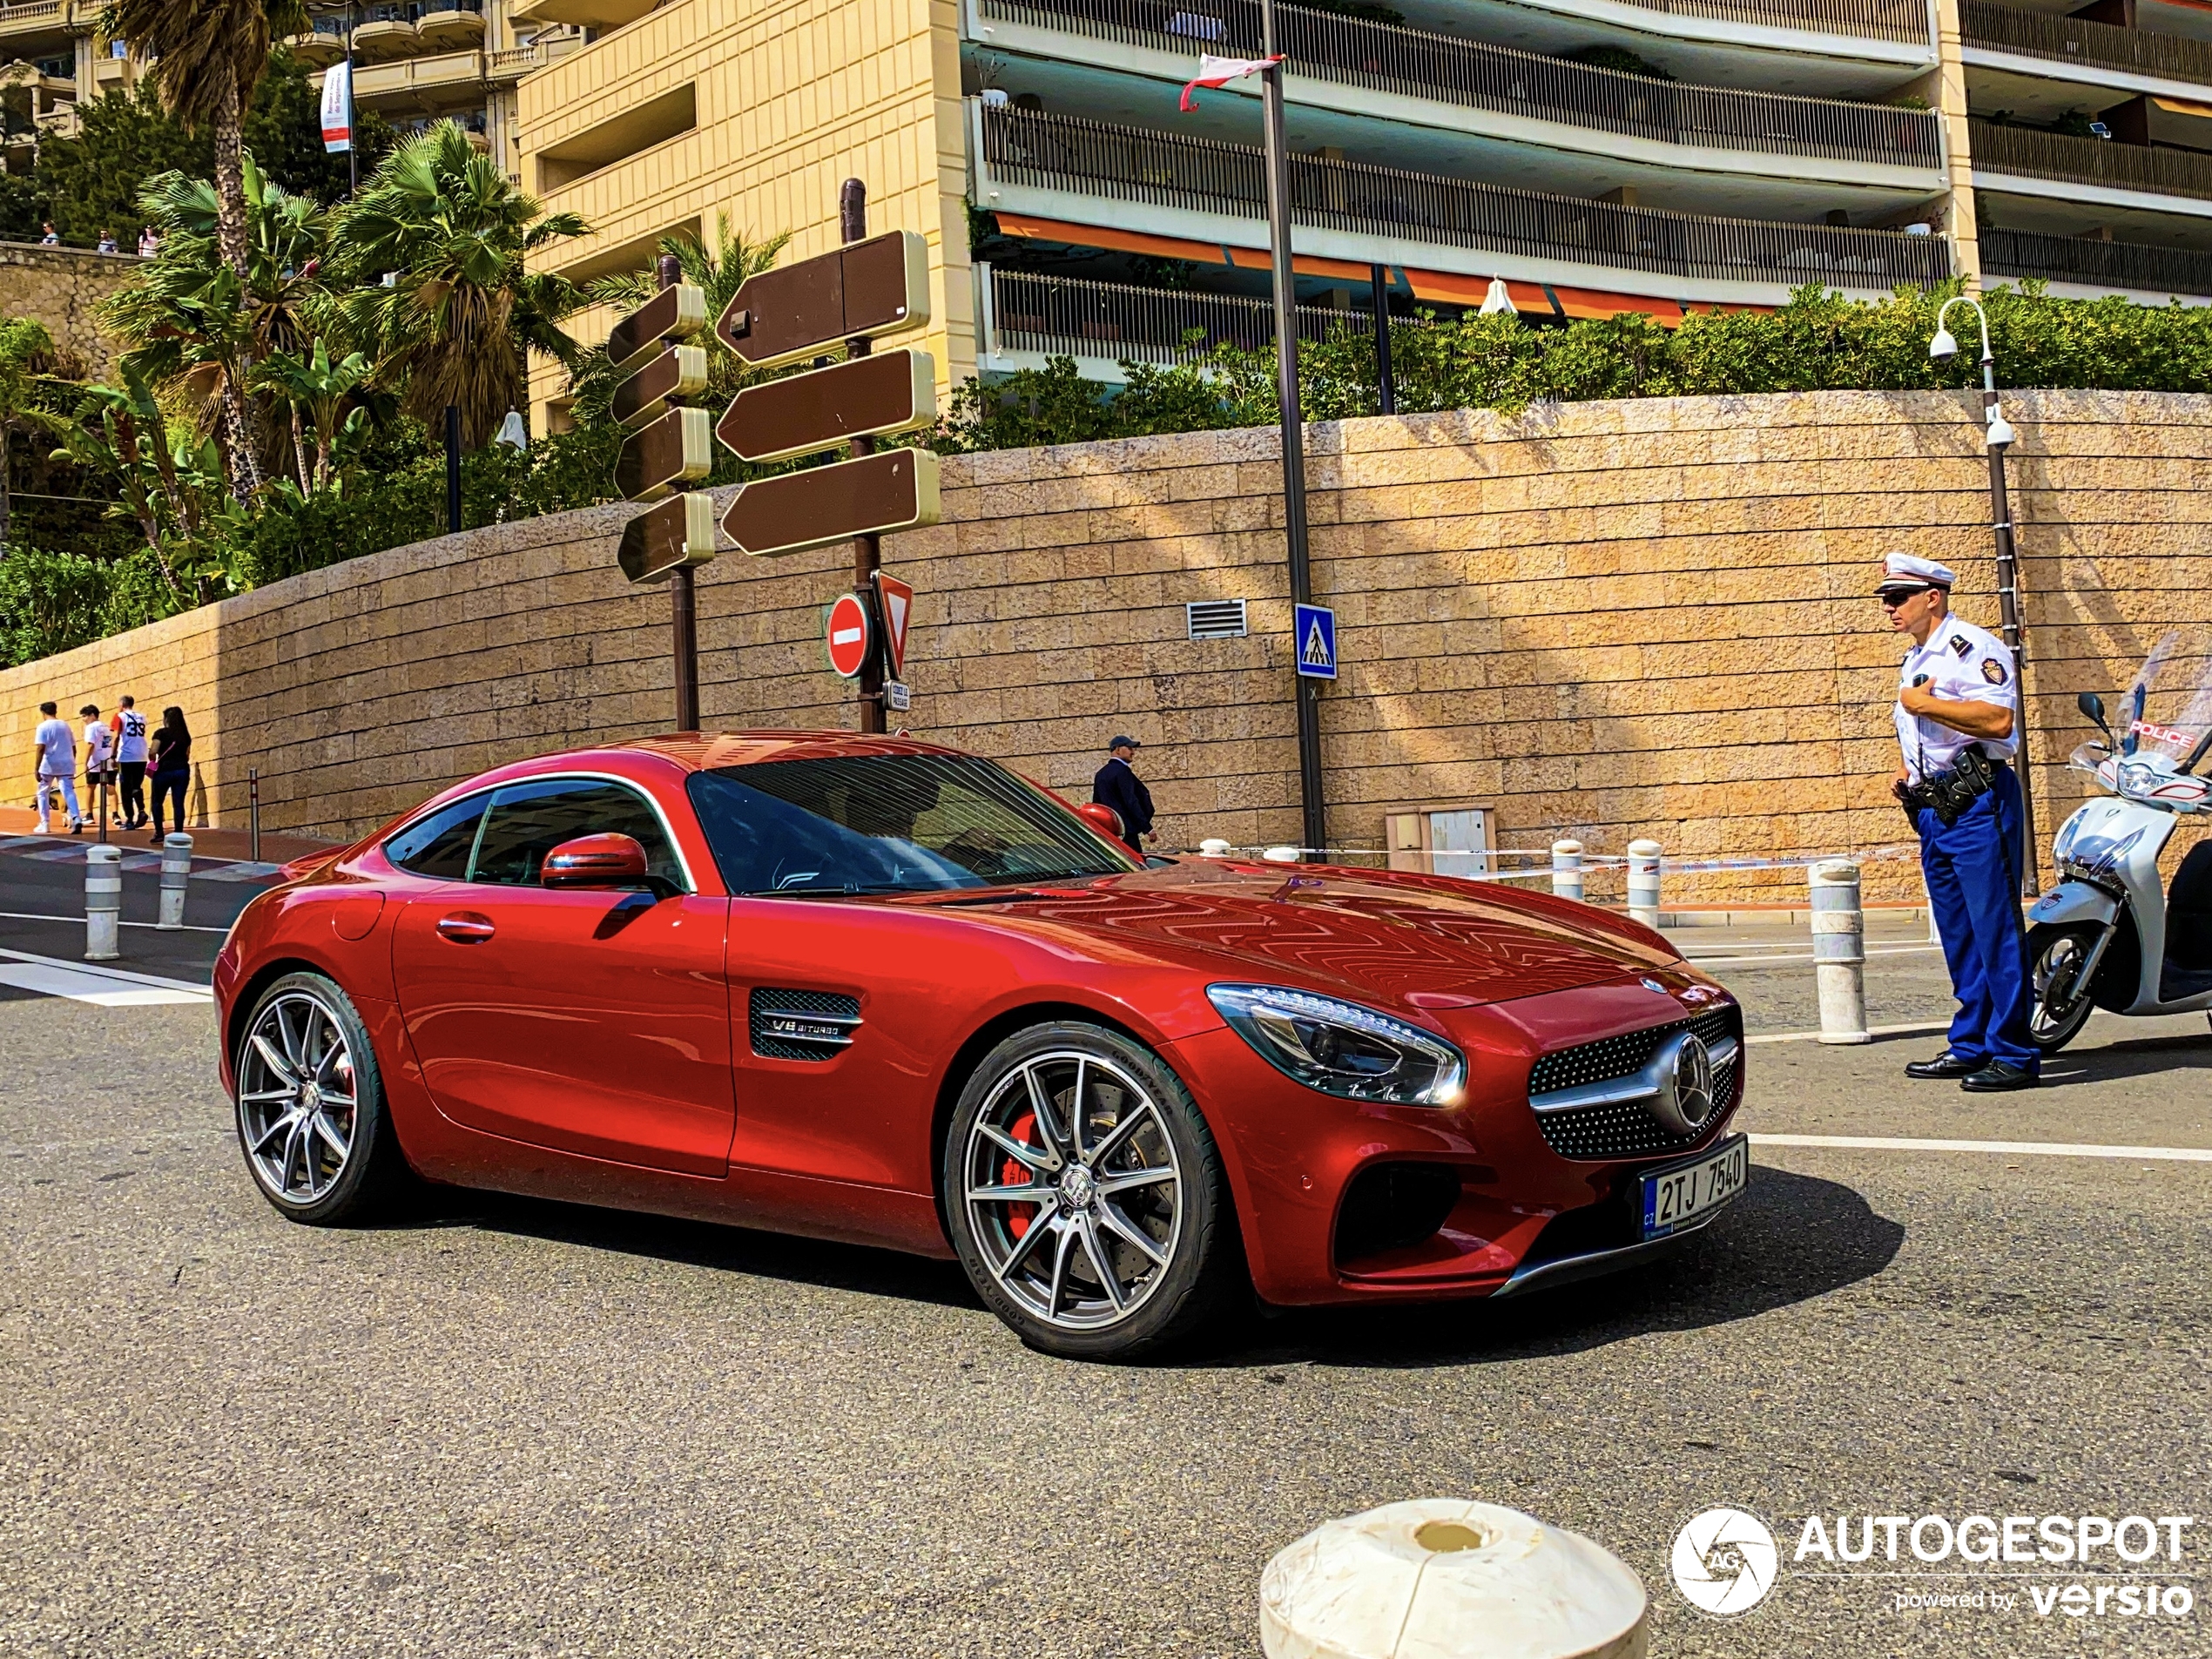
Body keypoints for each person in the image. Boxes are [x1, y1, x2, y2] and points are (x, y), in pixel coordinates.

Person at [1881, 553, 2037, 1092]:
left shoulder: (1973, 647)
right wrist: (1910, 768)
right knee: (1960, 934)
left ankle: (2015, 1053)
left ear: (1933, 596)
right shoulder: (1917, 657)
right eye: (1886, 599)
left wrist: (1923, 708)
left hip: (1978, 804)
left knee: (1995, 930)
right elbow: (1926, 729)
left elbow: (1998, 720)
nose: (1889, 608)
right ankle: (1971, 1043)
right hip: (1935, 807)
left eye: (1898, 597)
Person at [1091, 734, 1155, 854]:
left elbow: (1097, 804)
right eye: (1130, 748)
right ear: (1118, 749)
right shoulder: (1122, 772)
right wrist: (1147, 828)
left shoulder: (1101, 774)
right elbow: (1131, 801)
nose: (1133, 752)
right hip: (1127, 832)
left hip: (1110, 833)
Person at [31, 699, 82, 834]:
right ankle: (76, 818)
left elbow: (41, 748)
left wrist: (36, 768)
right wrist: (71, 761)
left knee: (43, 792)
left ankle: (45, 823)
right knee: (68, 791)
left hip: (49, 764)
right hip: (66, 762)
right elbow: (73, 747)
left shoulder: (43, 727)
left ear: (43, 712)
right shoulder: (65, 726)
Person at [146, 705, 191, 844]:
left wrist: (153, 761)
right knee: (178, 803)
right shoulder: (185, 735)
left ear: (167, 719)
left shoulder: (160, 733)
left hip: (164, 770)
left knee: (157, 801)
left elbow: (153, 751)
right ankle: (178, 833)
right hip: (182, 770)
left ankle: (159, 832)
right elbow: (187, 755)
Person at [111, 695, 149, 829]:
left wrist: (113, 755)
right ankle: (141, 810)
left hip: (126, 756)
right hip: (142, 755)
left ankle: (129, 819)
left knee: (125, 787)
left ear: (122, 704)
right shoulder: (142, 717)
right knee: (137, 785)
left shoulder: (119, 716)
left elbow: (116, 737)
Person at [79, 703, 114, 831]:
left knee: (90, 787)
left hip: (95, 762)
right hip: (108, 761)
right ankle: (115, 814)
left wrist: (85, 763)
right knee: (111, 787)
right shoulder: (106, 727)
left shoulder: (91, 727)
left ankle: (89, 814)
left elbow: (90, 745)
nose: (83, 719)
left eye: (84, 716)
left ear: (92, 715)